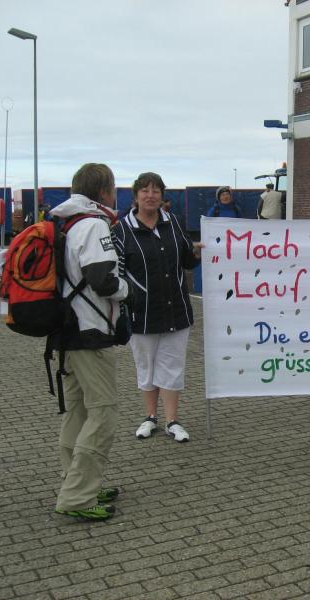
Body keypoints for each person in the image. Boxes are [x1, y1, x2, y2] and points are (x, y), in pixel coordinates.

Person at [49, 163, 130, 521]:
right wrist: (127, 290)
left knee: (78, 411)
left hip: (66, 330)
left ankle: (76, 481)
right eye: (113, 188)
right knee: (103, 412)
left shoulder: (64, 222)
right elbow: (103, 280)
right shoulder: (94, 224)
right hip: (90, 332)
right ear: (104, 191)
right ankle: (79, 496)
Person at [112, 172, 201, 443]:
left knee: (172, 367)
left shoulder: (174, 222)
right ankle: (150, 417)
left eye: (156, 191)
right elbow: (117, 273)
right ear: (136, 195)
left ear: (162, 195)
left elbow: (186, 261)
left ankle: (172, 420)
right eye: (145, 191)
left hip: (177, 311)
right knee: (146, 366)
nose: (150, 196)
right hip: (141, 313)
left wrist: (196, 253)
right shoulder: (121, 229)